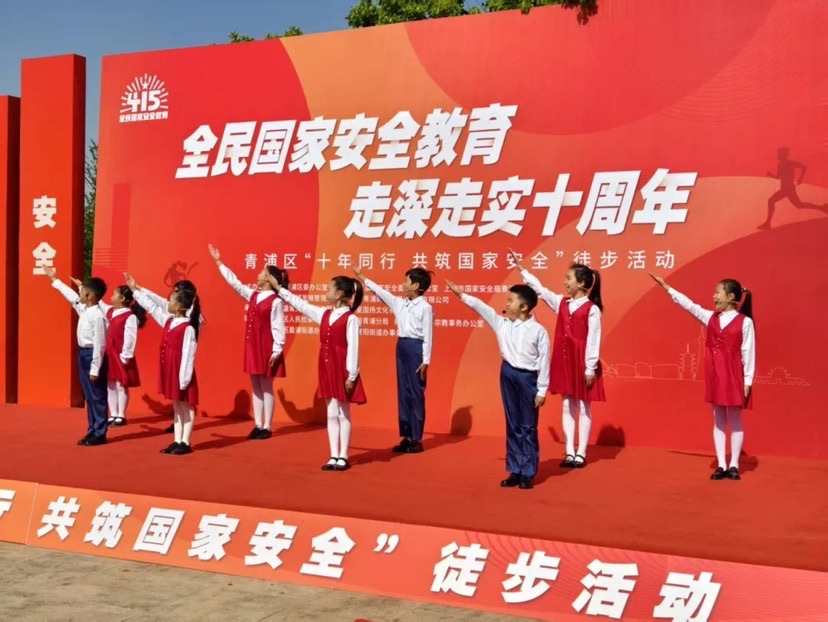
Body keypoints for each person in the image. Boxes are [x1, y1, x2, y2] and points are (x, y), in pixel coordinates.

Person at [649, 272, 755, 480]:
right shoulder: (711, 318)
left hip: (734, 375)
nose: (714, 297)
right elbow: (689, 306)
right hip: (715, 374)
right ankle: (721, 464)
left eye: (718, 293)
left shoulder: (745, 322)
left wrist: (748, 380)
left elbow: (748, 352)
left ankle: (734, 465)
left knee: (735, 420)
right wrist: (667, 288)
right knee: (718, 419)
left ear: (731, 297)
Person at [447, 279, 549, 490]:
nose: (507, 304)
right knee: (512, 424)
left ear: (524, 307)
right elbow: (483, 308)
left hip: (528, 378)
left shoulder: (539, 331)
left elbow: (545, 361)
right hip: (508, 374)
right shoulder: (502, 324)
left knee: (528, 426)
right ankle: (515, 469)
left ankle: (528, 472)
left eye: (511, 301)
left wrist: (542, 390)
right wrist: (462, 295)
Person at [513, 250, 605, 468]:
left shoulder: (592, 309)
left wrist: (590, 367)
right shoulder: (561, 303)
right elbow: (540, 290)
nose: (565, 282)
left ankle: (581, 453)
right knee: (567, 404)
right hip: (564, 360)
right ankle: (569, 452)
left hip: (582, 362)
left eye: (568, 278)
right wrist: (523, 270)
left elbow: (594, 339)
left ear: (581, 283)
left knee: (583, 406)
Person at [267, 273, 366, 471]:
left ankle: (343, 455)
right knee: (331, 411)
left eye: (329, 289)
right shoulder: (324, 314)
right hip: (326, 365)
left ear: (339, 294)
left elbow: (353, 349)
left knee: (343, 411)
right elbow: (301, 305)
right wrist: (280, 289)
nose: (326, 292)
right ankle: (333, 455)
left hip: (342, 367)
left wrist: (351, 375)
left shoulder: (351, 319)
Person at [210, 244, 288, 440]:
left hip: (267, 346)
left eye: (262, 272)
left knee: (266, 385)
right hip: (253, 345)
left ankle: (267, 426)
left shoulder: (276, 301)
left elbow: (278, 327)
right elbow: (235, 283)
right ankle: (258, 424)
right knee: (256, 385)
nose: (258, 274)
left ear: (269, 279)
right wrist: (219, 263)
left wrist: (277, 350)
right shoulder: (253, 295)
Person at [353, 265, 433, 453]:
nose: (403, 284)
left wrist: (426, 361)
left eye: (406, 281)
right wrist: (362, 276)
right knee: (404, 393)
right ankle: (407, 436)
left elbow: (428, 335)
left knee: (416, 393)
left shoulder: (426, 308)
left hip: (416, 349)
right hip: (402, 346)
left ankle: (416, 439)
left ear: (416, 285)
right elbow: (380, 292)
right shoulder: (400, 303)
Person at [126, 272, 202, 455]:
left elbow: (189, 355)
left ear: (179, 306)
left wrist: (184, 379)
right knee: (177, 405)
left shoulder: (188, 328)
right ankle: (177, 440)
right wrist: (135, 291)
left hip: (181, 371)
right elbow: (152, 307)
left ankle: (186, 441)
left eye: (171, 300)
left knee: (186, 405)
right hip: (170, 368)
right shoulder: (169, 321)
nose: (167, 302)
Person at [44, 267, 109, 446]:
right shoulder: (85, 309)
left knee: (97, 395)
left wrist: (95, 368)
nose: (79, 293)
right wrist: (55, 279)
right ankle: (92, 430)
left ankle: (100, 433)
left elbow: (100, 344)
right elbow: (71, 297)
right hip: (82, 354)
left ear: (91, 296)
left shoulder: (98, 316)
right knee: (89, 395)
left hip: (93, 356)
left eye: (83, 291)